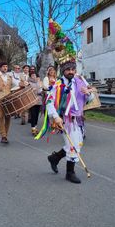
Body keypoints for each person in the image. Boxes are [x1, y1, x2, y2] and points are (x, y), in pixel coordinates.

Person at [39, 19, 96, 184]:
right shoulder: (57, 85)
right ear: (63, 70)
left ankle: (54, 158)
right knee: (73, 147)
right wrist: (55, 117)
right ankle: (69, 173)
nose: (71, 71)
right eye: (68, 69)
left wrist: (89, 93)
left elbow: (89, 99)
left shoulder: (80, 81)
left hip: (78, 119)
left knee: (77, 143)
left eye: (73, 69)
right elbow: (49, 102)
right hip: (64, 119)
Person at [0, 62, 23, 144]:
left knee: (8, 117)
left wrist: (22, 84)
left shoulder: (10, 77)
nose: (5, 68)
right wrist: (0, 88)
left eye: (6, 66)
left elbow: (16, 84)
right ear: (0, 68)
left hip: (8, 99)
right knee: (0, 117)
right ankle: (3, 136)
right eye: (3, 66)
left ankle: (5, 135)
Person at [28, 71, 42, 136]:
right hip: (32, 100)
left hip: (39, 100)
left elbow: (41, 90)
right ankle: (33, 128)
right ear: (30, 76)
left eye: (35, 75)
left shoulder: (39, 82)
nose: (34, 76)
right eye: (32, 75)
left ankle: (35, 127)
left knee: (36, 115)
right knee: (33, 115)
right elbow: (27, 90)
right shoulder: (28, 82)